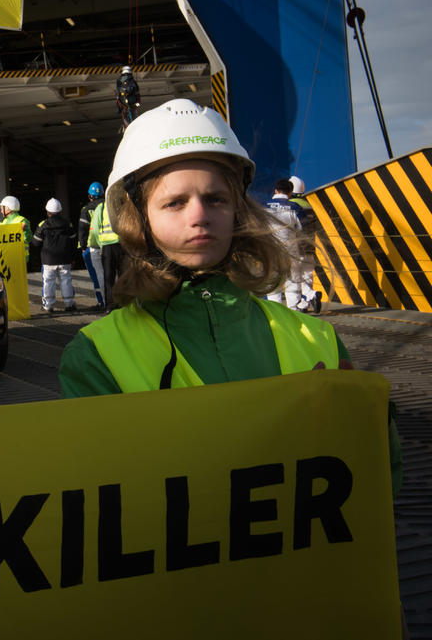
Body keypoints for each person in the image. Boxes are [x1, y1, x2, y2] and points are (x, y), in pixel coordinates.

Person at [57, 99, 400, 493]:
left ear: (238, 209)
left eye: (216, 198)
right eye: (175, 202)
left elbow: (377, 480)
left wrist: (363, 418)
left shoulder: (317, 339)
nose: (199, 215)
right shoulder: (95, 357)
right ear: (137, 219)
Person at [263, 178, 306, 310]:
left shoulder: (264, 206)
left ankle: (275, 313)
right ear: (291, 193)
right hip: (290, 250)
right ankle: (294, 311)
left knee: (273, 285)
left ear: (276, 190)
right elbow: (301, 229)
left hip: (270, 250)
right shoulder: (295, 208)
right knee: (292, 282)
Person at [32, 198, 77, 312]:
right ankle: (69, 304)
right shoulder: (68, 224)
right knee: (66, 280)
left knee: (48, 282)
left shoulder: (43, 225)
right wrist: (73, 258)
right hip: (64, 258)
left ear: (48, 211)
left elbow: (35, 243)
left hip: (48, 260)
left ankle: (48, 306)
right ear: (60, 211)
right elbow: (73, 242)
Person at [289, 175, 322, 314]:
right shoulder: (307, 204)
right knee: (308, 276)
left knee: (294, 278)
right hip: (310, 247)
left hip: (297, 248)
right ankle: (305, 303)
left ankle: (306, 299)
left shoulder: (292, 205)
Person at [87, 188, 123, 312]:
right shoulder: (121, 205)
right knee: (123, 276)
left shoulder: (101, 208)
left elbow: (95, 229)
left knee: (108, 277)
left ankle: (110, 306)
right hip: (122, 245)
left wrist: (100, 243)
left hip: (107, 247)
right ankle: (124, 303)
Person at [77, 181, 106, 310]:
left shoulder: (86, 209)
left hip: (92, 246)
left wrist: (83, 246)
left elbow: (82, 229)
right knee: (111, 273)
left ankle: (102, 301)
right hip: (108, 243)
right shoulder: (108, 206)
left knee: (97, 275)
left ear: (90, 196)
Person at [0, 194, 31, 263]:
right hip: (7, 257)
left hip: (20, 258)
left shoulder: (22, 220)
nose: (1, 211)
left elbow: (29, 239)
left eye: (2, 208)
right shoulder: (3, 222)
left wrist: (25, 230)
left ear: (8, 208)